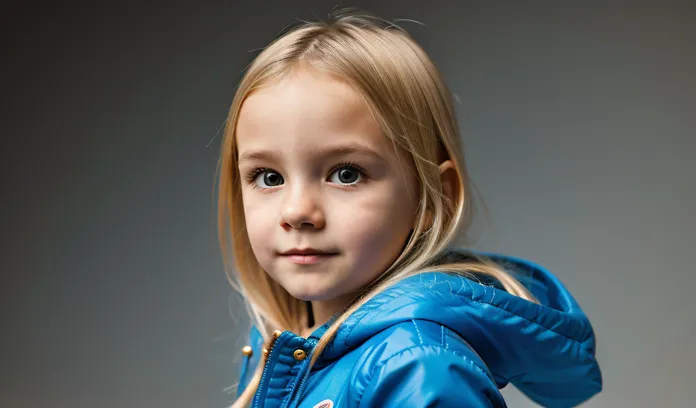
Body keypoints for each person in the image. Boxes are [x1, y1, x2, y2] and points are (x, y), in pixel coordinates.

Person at [216, 9, 602, 408]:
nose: (296, 211)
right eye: (268, 177)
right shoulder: (282, 347)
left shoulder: (418, 369)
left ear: (434, 194)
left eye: (346, 173)